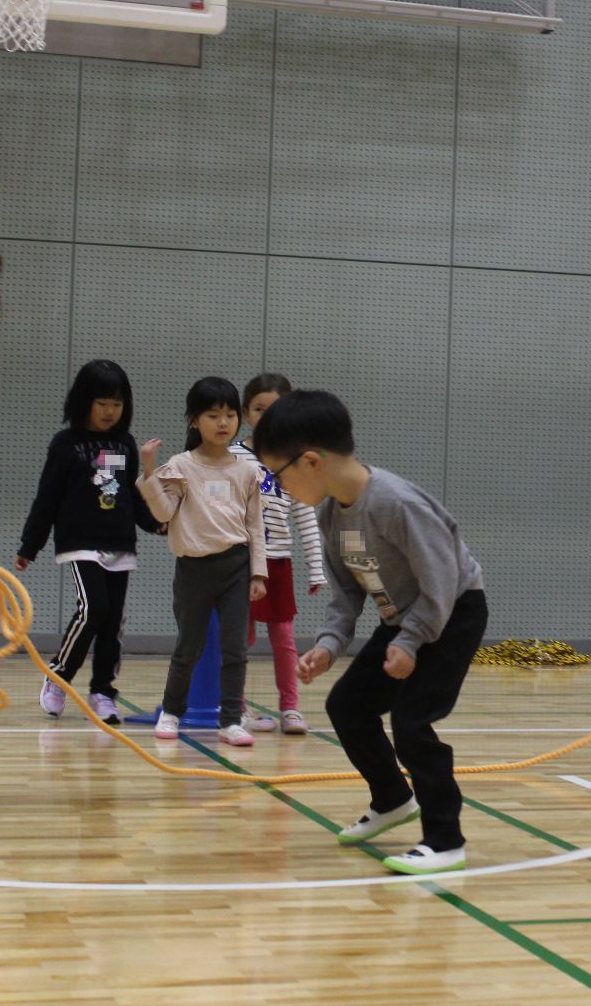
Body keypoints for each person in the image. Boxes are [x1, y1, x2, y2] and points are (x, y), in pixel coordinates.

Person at [251, 389, 487, 875]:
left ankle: (445, 840)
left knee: (412, 721)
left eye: (279, 474)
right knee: (347, 706)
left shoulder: (396, 503)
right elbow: (347, 595)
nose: (280, 486)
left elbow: (441, 583)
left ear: (311, 461)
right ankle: (393, 799)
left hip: (451, 614)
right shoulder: (331, 514)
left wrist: (410, 642)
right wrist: (328, 645)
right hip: (403, 620)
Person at [17, 359, 161, 726]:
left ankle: (102, 691)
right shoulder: (66, 445)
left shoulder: (124, 445)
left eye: (117, 404)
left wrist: (156, 524)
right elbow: (46, 498)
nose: (110, 411)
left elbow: (130, 496)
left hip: (120, 544)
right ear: (84, 401)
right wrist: (29, 547)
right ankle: (58, 675)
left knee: (113, 622)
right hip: (80, 542)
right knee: (92, 609)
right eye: (102, 403)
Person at [138, 376, 268, 746]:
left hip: (236, 568)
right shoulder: (181, 465)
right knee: (188, 647)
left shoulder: (246, 471)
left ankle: (230, 720)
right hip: (193, 568)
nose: (223, 423)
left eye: (229, 415)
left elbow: (254, 527)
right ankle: (172, 712)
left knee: (234, 649)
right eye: (213, 415)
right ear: (194, 420)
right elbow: (163, 512)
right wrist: (150, 470)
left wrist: (258, 573)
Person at [230, 373, 326, 736]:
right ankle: (235, 708)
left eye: (276, 410)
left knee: (283, 638)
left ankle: (290, 707)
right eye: (258, 409)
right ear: (245, 412)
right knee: (239, 638)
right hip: (239, 561)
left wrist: (316, 570)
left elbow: (305, 516)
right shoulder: (233, 456)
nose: (267, 417)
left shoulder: (292, 461)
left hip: (278, 562)